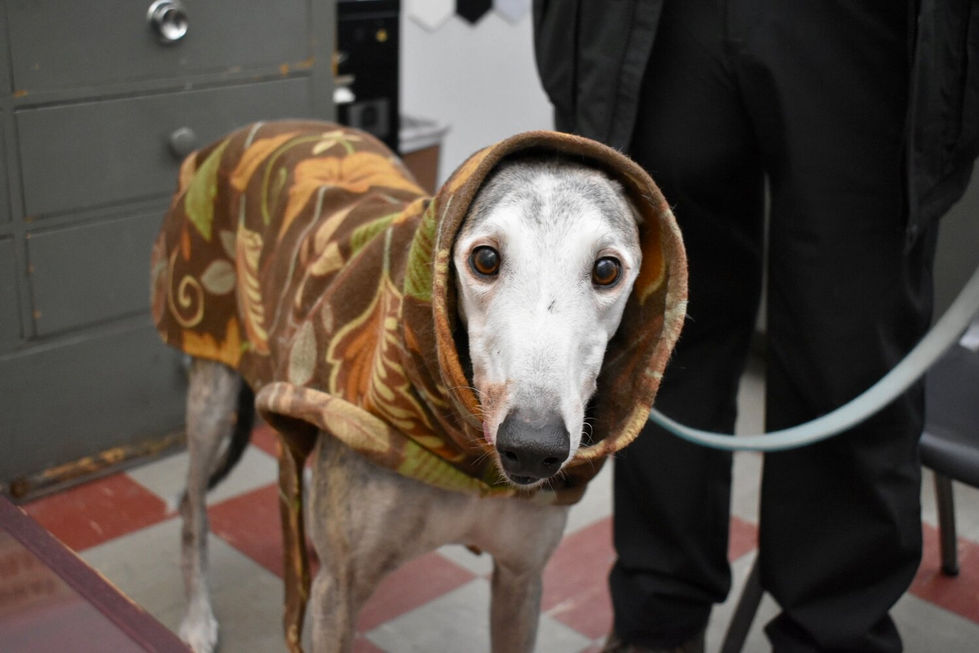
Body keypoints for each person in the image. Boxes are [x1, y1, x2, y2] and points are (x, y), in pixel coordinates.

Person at [533, 1, 979, 651]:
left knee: (848, 354)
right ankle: (657, 621)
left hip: (867, 29)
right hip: (654, 20)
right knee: (660, 340)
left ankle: (830, 634)